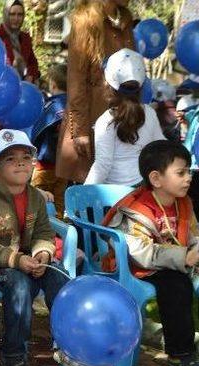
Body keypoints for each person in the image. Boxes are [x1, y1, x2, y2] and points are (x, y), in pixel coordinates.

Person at [0, 129, 68, 366]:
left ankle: (65, 341)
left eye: (26, 157)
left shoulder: (34, 196)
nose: (21, 163)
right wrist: (15, 259)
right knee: (19, 285)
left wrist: (42, 253)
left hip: (26, 260)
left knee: (58, 275)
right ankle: (13, 352)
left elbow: (44, 232)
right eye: (10, 159)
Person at [102, 140, 199, 366]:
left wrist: (195, 249)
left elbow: (193, 234)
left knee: (178, 280)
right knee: (177, 286)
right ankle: (180, 355)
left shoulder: (183, 201)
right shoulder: (135, 209)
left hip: (172, 261)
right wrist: (185, 256)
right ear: (156, 178)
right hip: (134, 268)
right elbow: (139, 253)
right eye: (181, 172)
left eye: (188, 171)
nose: (188, 177)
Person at [56, 0, 135, 183]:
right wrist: (80, 131)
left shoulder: (125, 21)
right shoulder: (85, 21)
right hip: (91, 118)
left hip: (122, 119)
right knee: (87, 194)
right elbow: (77, 81)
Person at [84, 49, 164, 186]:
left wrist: (83, 195)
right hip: (144, 192)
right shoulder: (150, 113)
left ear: (107, 84)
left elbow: (102, 166)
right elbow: (160, 148)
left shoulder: (106, 121)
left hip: (115, 197)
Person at [31, 63, 68, 217]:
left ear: (53, 84)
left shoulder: (51, 107)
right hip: (66, 165)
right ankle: (59, 233)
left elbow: (37, 132)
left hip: (46, 163)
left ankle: (35, 230)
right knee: (59, 200)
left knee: (37, 198)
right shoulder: (77, 105)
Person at [0, 0, 40, 83]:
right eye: (12, 14)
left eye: (20, 15)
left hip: (22, 88)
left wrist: (31, 75)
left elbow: (33, 63)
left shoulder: (25, 38)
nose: (16, 19)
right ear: (5, 14)